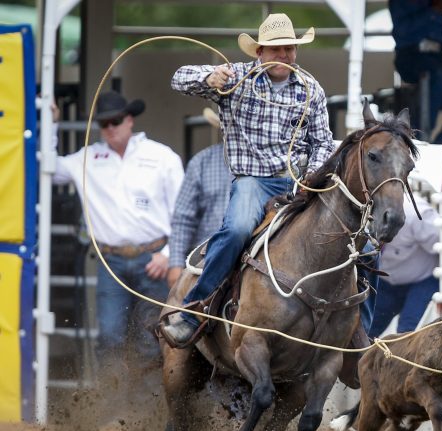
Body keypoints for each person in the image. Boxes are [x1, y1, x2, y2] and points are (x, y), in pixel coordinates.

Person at [162, 13, 335, 344]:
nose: (284, 56)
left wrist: (311, 177)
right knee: (238, 229)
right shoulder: (235, 79)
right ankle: (193, 311)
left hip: (299, 182)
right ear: (260, 53)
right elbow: (179, 78)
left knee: (357, 239)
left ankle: (354, 334)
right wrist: (209, 78)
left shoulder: (311, 88)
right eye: (276, 49)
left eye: (289, 49)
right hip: (253, 181)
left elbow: (323, 142)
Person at [53, 91, 184, 366]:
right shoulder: (87, 157)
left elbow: (183, 213)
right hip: (110, 260)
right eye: (104, 123)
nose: (110, 128)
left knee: (151, 339)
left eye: (115, 121)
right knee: (110, 336)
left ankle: (149, 407)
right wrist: (51, 125)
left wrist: (169, 254)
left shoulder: (161, 157)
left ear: (129, 120)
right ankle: (110, 406)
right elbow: (49, 168)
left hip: (154, 257)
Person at [389, 0, 442, 149]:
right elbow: (401, 30)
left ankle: (435, 156)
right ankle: (418, 139)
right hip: (409, 56)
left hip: (438, 59)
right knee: (438, 75)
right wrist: (433, 12)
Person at [167, 108, 231, 288]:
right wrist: (176, 264)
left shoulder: (272, 165)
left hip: (254, 261)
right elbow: (183, 218)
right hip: (204, 257)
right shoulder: (202, 162)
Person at [368, 194, 439, 337]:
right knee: (366, 329)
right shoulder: (355, 210)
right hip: (385, 280)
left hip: (423, 279)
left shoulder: (416, 215)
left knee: (407, 334)